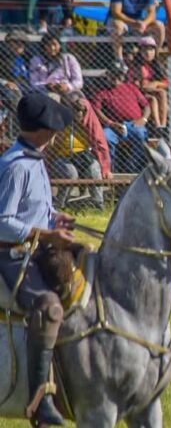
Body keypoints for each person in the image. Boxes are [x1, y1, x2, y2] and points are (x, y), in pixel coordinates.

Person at [0, 93, 77, 426]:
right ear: (44, 131)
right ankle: (40, 400)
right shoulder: (16, 167)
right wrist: (45, 236)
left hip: (34, 248)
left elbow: (34, 211)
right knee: (48, 306)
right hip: (12, 256)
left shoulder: (33, 160)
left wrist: (54, 219)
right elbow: (3, 221)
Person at [48, 91, 111, 210]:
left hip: (84, 158)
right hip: (63, 158)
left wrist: (106, 168)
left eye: (81, 110)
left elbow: (101, 145)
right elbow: (50, 147)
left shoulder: (90, 122)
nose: (79, 113)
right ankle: (60, 206)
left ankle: (98, 205)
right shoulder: (61, 121)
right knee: (71, 173)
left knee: (94, 169)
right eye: (75, 109)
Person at [92, 62, 151, 173]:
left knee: (141, 134)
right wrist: (110, 123)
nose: (116, 78)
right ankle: (110, 169)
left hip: (133, 124)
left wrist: (144, 119)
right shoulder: (102, 91)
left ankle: (133, 168)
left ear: (122, 76)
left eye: (119, 75)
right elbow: (97, 110)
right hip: (114, 125)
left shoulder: (131, 87)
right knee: (105, 136)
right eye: (113, 75)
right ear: (108, 75)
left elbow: (146, 106)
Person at [108, 0, 165, 68]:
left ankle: (156, 56)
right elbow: (116, 12)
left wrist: (145, 23)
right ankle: (119, 60)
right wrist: (134, 23)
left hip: (139, 22)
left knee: (159, 26)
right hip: (122, 20)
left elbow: (152, 13)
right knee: (118, 26)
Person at [129, 36, 169, 133]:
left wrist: (155, 83)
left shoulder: (157, 65)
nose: (148, 53)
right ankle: (157, 125)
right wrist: (142, 85)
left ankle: (162, 126)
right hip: (139, 93)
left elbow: (167, 83)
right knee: (153, 99)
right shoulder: (135, 65)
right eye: (145, 50)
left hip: (152, 91)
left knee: (162, 93)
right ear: (140, 51)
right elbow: (133, 84)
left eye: (151, 50)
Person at [29, 31, 83, 96]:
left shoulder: (69, 59)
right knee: (53, 97)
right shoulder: (36, 60)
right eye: (48, 45)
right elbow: (33, 83)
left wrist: (68, 86)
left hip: (68, 92)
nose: (52, 48)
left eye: (55, 44)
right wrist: (47, 86)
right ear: (43, 46)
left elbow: (79, 81)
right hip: (45, 93)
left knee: (79, 103)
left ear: (60, 45)